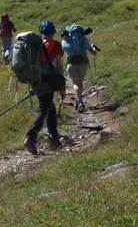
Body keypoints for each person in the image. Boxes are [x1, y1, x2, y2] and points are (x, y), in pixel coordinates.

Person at [25, 20, 66, 155]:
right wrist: (62, 86)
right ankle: (31, 137)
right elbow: (59, 66)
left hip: (36, 82)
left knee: (50, 109)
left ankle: (54, 140)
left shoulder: (35, 46)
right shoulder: (55, 45)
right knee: (44, 108)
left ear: (41, 33)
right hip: (48, 82)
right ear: (53, 32)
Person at [62, 24, 100, 112]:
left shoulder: (66, 40)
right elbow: (93, 53)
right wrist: (93, 48)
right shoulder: (84, 40)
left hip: (71, 64)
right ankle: (79, 100)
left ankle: (79, 101)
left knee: (76, 84)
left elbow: (63, 50)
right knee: (80, 83)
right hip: (83, 63)